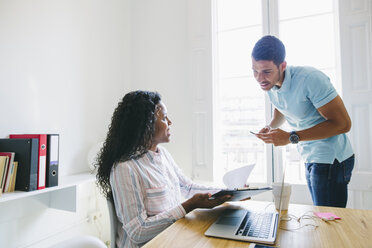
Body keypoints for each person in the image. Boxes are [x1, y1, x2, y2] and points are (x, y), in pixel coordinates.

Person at [95, 90, 231, 248]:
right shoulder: (125, 168)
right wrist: (188, 206)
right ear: (146, 124)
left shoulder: (163, 155)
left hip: (171, 240)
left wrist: (228, 192)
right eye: (165, 117)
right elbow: (138, 232)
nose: (170, 122)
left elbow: (187, 187)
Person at [251, 35, 354, 208]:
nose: (259, 78)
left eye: (266, 71)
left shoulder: (310, 79)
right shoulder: (270, 84)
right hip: (309, 154)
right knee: (321, 219)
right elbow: (281, 109)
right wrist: (270, 127)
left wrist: (291, 137)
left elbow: (343, 124)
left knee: (327, 223)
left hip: (330, 157)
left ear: (282, 66)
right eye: (254, 70)